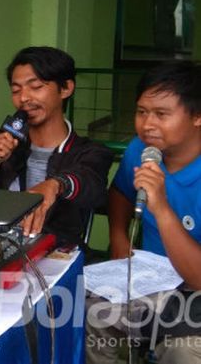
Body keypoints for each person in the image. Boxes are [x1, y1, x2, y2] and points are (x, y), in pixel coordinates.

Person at [86, 60, 201, 364]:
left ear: (197, 116)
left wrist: (161, 208)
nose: (147, 124)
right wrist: (118, 237)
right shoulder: (140, 149)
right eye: (141, 112)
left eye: (162, 114)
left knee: (184, 351)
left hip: (195, 290)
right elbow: (121, 192)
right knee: (90, 312)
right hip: (151, 280)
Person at [0, 46, 113, 243]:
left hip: (56, 255)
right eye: (15, 90)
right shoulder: (4, 141)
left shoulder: (89, 152)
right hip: (0, 250)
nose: (23, 98)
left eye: (35, 87)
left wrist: (55, 185)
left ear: (66, 88)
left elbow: (91, 185)